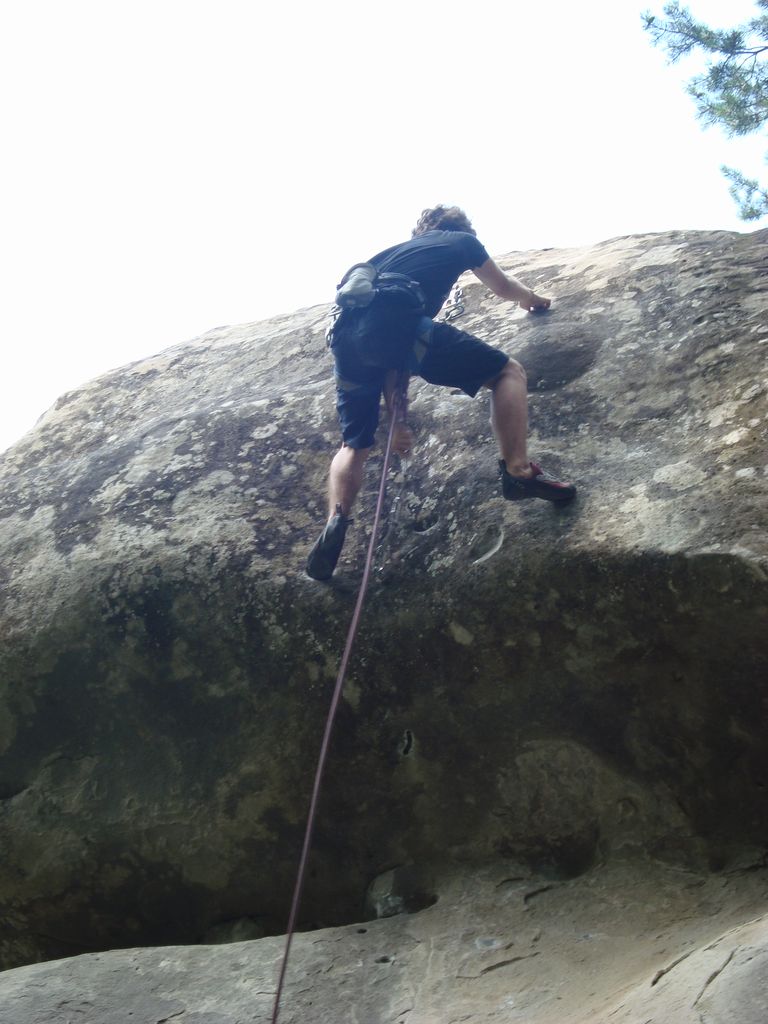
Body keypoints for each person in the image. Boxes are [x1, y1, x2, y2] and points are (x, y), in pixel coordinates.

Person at [306, 205, 576, 581]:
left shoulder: (386, 257)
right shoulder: (461, 241)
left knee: (353, 445)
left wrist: (397, 421)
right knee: (507, 373)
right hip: (398, 330)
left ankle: (337, 517)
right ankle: (518, 471)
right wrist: (529, 298)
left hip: (346, 342)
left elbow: (385, 357)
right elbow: (502, 287)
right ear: (462, 229)